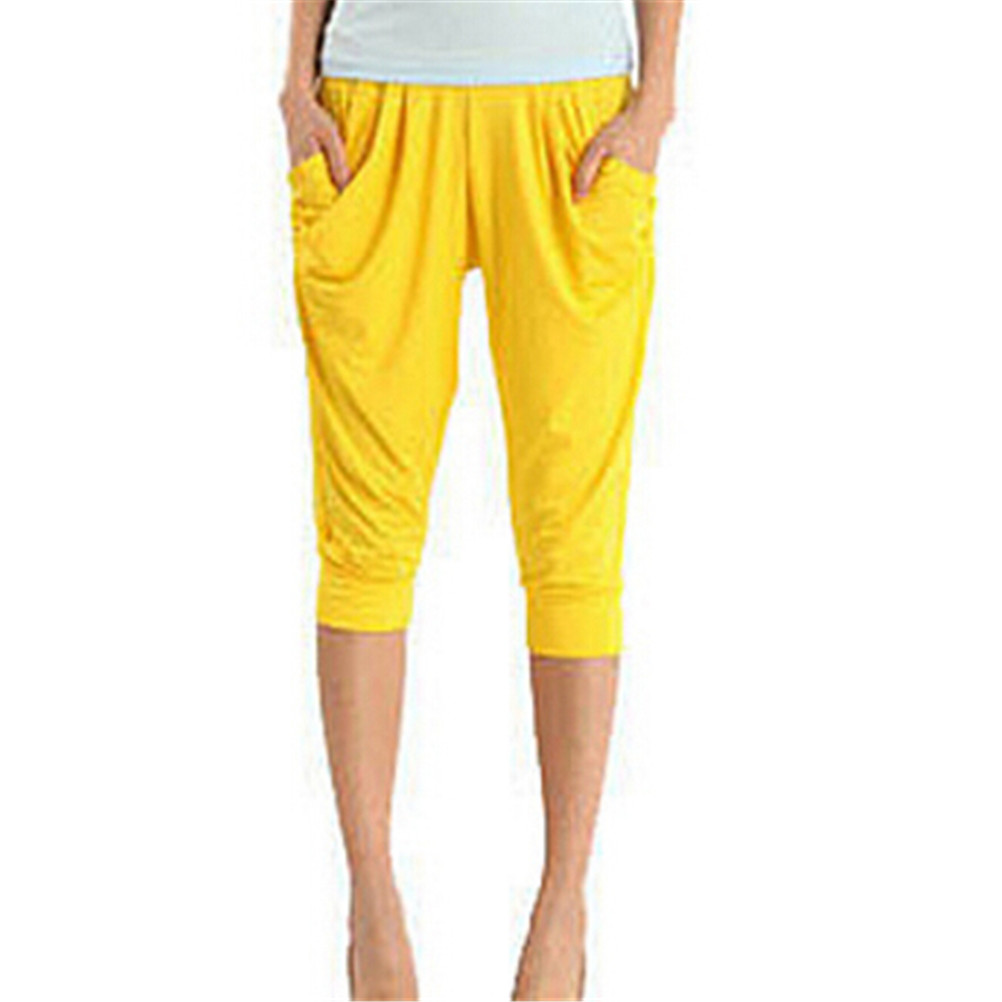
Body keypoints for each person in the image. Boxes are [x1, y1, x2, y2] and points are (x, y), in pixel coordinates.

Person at [280, 2, 684, 998]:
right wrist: (296, 81)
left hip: (571, 116)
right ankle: (371, 902)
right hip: (376, 110)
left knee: (574, 534)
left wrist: (656, 100)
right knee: (365, 529)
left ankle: (564, 904)